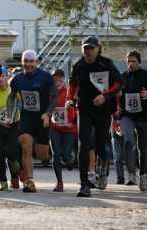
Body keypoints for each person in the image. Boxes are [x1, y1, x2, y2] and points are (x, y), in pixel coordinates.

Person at [66, 36, 122, 197]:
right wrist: (70, 99)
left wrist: (105, 96)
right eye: (85, 48)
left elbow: (119, 83)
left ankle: (103, 168)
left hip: (103, 109)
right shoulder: (79, 65)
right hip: (84, 108)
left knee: (100, 145)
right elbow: (73, 83)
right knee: (84, 144)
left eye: (91, 48)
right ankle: (84, 184)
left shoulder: (107, 64)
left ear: (98, 48)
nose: (88, 51)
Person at [7, 49, 58, 193]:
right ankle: (29, 180)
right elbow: (11, 97)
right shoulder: (17, 79)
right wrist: (11, 114)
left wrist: (48, 113)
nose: (28, 64)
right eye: (26, 61)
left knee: (43, 155)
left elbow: (54, 96)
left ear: (37, 62)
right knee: (25, 146)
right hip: (27, 118)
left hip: (42, 118)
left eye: (31, 61)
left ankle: (44, 147)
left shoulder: (46, 77)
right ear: (22, 62)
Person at [117, 50, 147, 191]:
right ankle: (131, 173)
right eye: (128, 61)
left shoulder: (145, 75)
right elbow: (115, 96)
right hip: (127, 115)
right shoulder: (122, 77)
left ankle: (143, 175)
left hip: (143, 116)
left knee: (143, 148)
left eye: (133, 61)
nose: (130, 64)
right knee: (129, 141)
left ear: (139, 62)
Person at [0, 67, 21, 191]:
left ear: (8, 77)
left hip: (13, 124)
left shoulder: (14, 90)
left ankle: (15, 175)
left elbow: (20, 106)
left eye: (3, 76)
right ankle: (3, 181)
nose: (1, 79)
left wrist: (12, 118)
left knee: (11, 152)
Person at [49, 69, 78, 192]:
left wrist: (73, 122)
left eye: (60, 78)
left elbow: (77, 108)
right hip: (54, 128)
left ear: (64, 79)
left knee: (66, 155)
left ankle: (70, 162)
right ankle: (59, 183)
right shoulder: (49, 94)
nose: (58, 80)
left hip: (69, 129)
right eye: (55, 78)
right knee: (56, 155)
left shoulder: (69, 93)